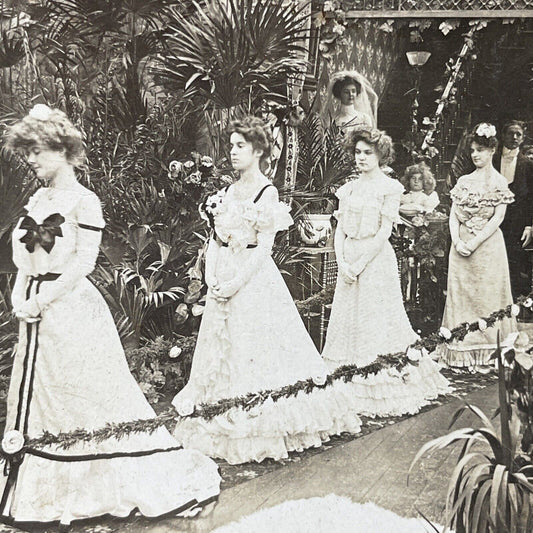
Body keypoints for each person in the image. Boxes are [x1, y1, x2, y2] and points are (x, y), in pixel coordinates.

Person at [1, 104, 221, 526]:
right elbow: (25, 259)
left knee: (83, 393)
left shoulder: (85, 201)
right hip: (33, 310)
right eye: (26, 152)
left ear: (64, 150)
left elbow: (82, 265)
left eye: (37, 152)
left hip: (68, 309)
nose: (30, 160)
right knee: (43, 393)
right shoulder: (38, 198)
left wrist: (42, 300)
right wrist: (19, 296)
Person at [172, 116, 362, 464]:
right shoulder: (225, 193)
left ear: (258, 150)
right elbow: (215, 240)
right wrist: (214, 277)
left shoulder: (267, 192)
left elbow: (263, 249)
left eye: (240, 146)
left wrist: (233, 283)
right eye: (230, 146)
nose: (232, 152)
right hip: (222, 281)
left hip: (252, 280)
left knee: (256, 352)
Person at [321, 127, 450, 416]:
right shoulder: (349, 188)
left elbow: (383, 233)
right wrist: (344, 264)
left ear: (381, 154)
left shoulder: (390, 188)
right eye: (358, 152)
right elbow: (339, 230)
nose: (362, 157)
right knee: (347, 320)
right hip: (349, 260)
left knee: (376, 320)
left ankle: (379, 382)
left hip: (375, 260)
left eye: (368, 152)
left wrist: (359, 264)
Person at [436, 123, 517, 371]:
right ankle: (460, 347)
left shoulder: (499, 182)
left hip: (487, 247)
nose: (475, 155)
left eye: (480, 150)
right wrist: (458, 241)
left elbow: (498, 218)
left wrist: (474, 242)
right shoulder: (463, 181)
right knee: (461, 295)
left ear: (492, 150)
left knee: (488, 295)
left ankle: (490, 348)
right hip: (461, 248)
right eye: (473, 150)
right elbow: (453, 216)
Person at [493, 120, 533, 299]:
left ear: (523, 139)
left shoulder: (528, 165)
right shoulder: (491, 160)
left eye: (518, 134)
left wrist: (529, 226)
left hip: (517, 224)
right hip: (492, 220)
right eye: (511, 133)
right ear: (502, 136)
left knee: (514, 262)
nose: (514, 137)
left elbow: (531, 198)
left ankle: (511, 305)